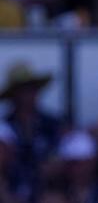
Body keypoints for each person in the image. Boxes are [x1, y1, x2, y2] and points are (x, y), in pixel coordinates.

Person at [0, 61, 62, 202]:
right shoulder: (4, 128)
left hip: (46, 191)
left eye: (32, 89)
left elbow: (59, 160)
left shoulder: (52, 125)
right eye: (23, 90)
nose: (29, 95)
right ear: (13, 94)